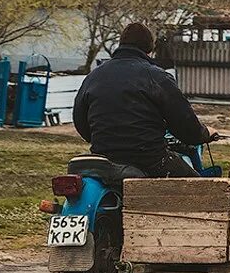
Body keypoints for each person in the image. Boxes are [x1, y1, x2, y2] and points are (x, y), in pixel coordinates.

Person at [72, 22, 211, 177]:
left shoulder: (93, 76)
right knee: (199, 190)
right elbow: (185, 125)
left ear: (121, 44)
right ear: (150, 49)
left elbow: (80, 121)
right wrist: (203, 134)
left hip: (103, 157)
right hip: (149, 158)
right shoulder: (157, 77)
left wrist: (104, 140)